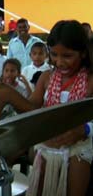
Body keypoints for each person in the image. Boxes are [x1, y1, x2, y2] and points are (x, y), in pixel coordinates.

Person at [27, 20, 93, 196]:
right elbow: (30, 108)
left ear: (83, 54)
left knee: (78, 165)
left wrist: (85, 129)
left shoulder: (90, 80)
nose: (59, 62)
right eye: (54, 55)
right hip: (47, 147)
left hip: (80, 148)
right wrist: (8, 94)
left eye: (67, 56)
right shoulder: (46, 78)